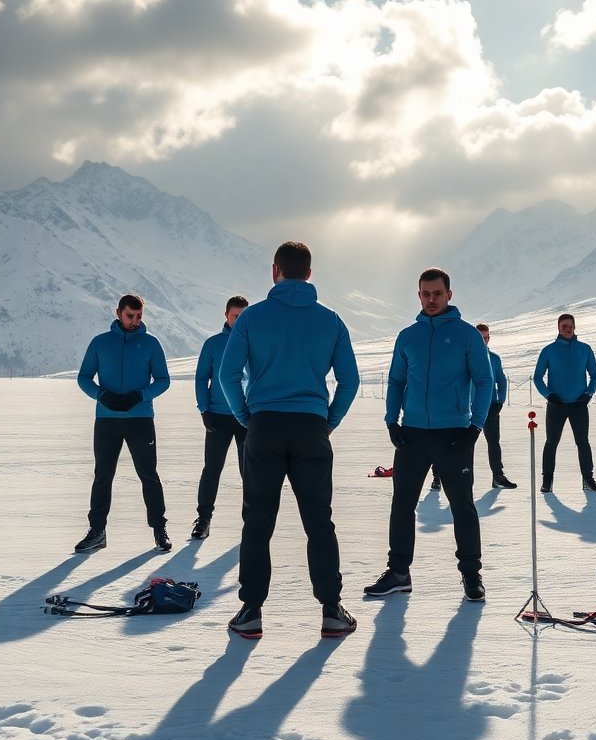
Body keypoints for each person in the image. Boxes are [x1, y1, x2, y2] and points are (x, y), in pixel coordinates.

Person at [219, 241, 359, 639]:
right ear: (309, 274)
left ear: (274, 270)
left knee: (257, 521)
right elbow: (349, 381)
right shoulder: (330, 320)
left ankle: (250, 612)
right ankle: (331, 610)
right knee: (319, 520)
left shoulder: (251, 319)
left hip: (263, 425)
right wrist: (328, 421)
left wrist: (247, 417)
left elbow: (229, 376)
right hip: (311, 427)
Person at [367, 268, 493, 602]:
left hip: (454, 434)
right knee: (402, 504)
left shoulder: (467, 336)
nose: (431, 299)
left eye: (437, 293)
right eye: (425, 294)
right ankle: (398, 573)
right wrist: (392, 421)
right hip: (412, 435)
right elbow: (396, 381)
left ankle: (471, 574)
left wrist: (475, 427)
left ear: (449, 295)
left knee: (462, 506)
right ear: (419, 295)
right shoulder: (408, 336)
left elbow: (484, 381)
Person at [74, 294, 172, 553]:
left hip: (140, 419)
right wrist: (101, 395)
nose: (135, 321)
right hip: (107, 420)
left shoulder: (151, 344)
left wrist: (140, 395)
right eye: (130, 316)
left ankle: (159, 528)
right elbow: (84, 377)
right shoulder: (100, 343)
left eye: (139, 316)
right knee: (103, 476)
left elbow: (163, 380)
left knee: (148, 475)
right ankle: (97, 531)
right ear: (118, 313)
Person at [191, 295, 250, 540]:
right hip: (217, 416)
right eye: (236, 315)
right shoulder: (213, 344)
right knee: (211, 470)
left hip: (246, 417)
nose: (239, 320)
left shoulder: (253, 342)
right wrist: (204, 409)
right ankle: (203, 520)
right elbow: (201, 377)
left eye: (244, 316)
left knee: (249, 472)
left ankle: (253, 521)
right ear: (226, 315)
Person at [532, 313, 596, 493]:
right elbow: (538, 377)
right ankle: (547, 480)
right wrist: (548, 395)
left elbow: (595, 375)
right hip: (556, 405)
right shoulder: (549, 350)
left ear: (574, 327)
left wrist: (588, 393)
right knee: (551, 442)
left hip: (579, 405)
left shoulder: (585, 349)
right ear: (558, 327)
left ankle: (588, 478)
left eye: (570, 325)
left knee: (583, 442)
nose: (567, 328)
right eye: (564, 325)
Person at [477, 322, 517, 489]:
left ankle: (498, 476)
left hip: (491, 407)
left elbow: (501, 379)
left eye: (486, 338)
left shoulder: (494, 358)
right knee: (464, 445)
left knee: (494, 442)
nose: (484, 341)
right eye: (480, 338)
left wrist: (500, 401)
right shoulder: (464, 357)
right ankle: (461, 480)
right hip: (469, 410)